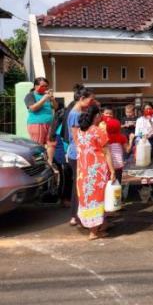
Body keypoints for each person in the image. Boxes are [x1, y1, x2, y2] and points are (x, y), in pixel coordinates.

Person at [76, 105, 116, 240]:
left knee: (88, 198)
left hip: (83, 170)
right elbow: (107, 152)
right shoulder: (99, 131)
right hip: (97, 170)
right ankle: (94, 232)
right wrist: (112, 170)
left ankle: (101, 225)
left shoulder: (80, 132)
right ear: (96, 116)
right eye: (99, 115)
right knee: (97, 198)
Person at [66, 86, 96, 227]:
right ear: (82, 98)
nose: (92, 102)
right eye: (91, 99)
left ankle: (78, 215)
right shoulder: (75, 114)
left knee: (80, 185)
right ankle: (74, 215)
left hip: (79, 153)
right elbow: (76, 137)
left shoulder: (80, 112)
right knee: (77, 185)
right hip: (77, 154)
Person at [25, 77, 57, 145]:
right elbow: (32, 108)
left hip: (49, 123)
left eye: (46, 86)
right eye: (42, 86)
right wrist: (44, 99)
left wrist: (52, 99)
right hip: (37, 123)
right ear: (35, 86)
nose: (45, 88)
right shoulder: (30, 95)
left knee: (51, 144)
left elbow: (55, 107)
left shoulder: (46, 95)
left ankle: (48, 156)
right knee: (38, 145)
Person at [106, 118, 133, 183]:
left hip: (108, 165)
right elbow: (128, 150)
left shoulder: (105, 137)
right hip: (119, 165)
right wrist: (131, 139)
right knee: (117, 184)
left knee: (109, 185)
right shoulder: (122, 137)